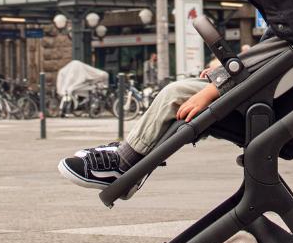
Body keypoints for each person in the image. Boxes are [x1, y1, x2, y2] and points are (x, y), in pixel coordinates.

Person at [58, 61, 224, 189]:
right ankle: (127, 152)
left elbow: (251, 64)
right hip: (239, 83)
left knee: (174, 92)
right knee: (178, 89)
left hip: (242, 89)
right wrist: (223, 72)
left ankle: (123, 163)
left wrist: (213, 88)